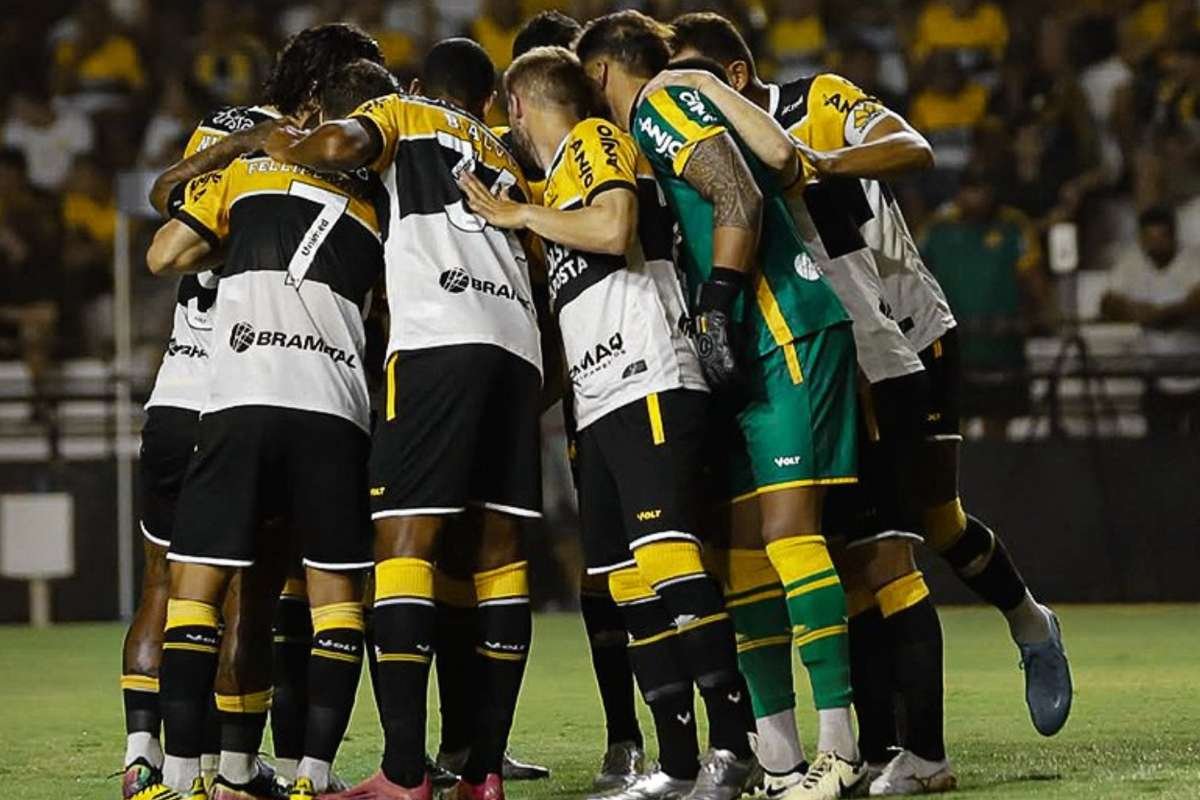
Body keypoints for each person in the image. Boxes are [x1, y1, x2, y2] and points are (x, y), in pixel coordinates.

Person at [666, 9, 1072, 770]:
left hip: (910, 334)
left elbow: (911, 147)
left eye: (686, 83)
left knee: (934, 520)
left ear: (735, 80)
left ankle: (1027, 622)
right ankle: (888, 747)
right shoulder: (708, 153)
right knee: (861, 547)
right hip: (834, 354)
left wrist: (813, 163)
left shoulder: (812, 99)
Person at [576, 12, 866, 799]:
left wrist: (716, 304)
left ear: (602, 74)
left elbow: (739, 191)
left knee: (790, 538)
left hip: (780, 331)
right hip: (745, 348)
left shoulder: (659, 103)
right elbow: (780, 156)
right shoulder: (687, 95)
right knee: (742, 560)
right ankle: (778, 759)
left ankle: (840, 751)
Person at [460, 45, 758, 800]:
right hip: (599, 403)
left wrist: (522, 210)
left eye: (510, 114)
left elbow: (616, 224)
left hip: (651, 377)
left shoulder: (593, 142)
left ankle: (734, 747)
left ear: (521, 105)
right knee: (627, 584)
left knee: (668, 563)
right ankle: (678, 762)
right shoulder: (553, 183)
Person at [265, 38, 544, 800]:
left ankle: (402, 772)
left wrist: (278, 139)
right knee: (497, 554)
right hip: (517, 346)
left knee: (405, 542)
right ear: (490, 102)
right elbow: (544, 259)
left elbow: (336, 144)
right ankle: (484, 772)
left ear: (422, 85)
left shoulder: (402, 111)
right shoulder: (507, 156)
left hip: (437, 339)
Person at [122, 24, 387, 800]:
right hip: (305, 394)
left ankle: (162, 767)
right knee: (272, 592)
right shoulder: (365, 178)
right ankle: (255, 770)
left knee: (170, 586)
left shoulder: (232, 146)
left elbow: (167, 236)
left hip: (197, 385)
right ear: (326, 98)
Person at [1101, 206, 1200, 436]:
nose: (1155, 244)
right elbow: (1108, 302)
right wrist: (1133, 310)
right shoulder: (1132, 263)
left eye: (1161, 237)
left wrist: (1161, 314)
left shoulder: (1193, 260)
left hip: (1195, 371)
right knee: (1159, 447)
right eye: (1149, 238)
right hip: (1156, 374)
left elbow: (1197, 301)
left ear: (1172, 235)